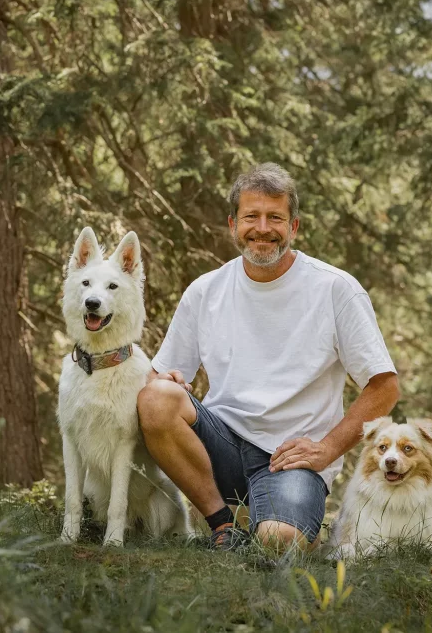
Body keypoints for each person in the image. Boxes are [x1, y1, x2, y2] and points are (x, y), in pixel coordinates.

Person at [137, 162, 400, 551]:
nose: (263, 228)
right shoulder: (205, 290)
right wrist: (167, 381)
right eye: (251, 217)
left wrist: (326, 449)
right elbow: (156, 379)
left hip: (290, 459)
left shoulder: (335, 289)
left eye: (275, 217)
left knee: (279, 541)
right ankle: (223, 523)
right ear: (233, 225)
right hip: (219, 445)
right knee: (156, 398)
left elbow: (384, 386)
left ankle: (280, 522)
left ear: (293, 227)